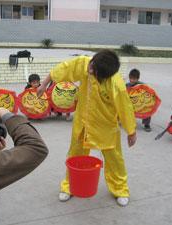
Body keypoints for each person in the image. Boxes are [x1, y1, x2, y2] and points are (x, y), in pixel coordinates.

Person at [37, 50, 137, 206]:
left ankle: (120, 189)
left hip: (106, 126)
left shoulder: (115, 84)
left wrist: (131, 131)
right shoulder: (85, 63)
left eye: (94, 70)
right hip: (82, 122)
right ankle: (69, 186)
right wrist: (44, 84)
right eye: (92, 65)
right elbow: (63, 68)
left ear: (104, 76)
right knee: (75, 154)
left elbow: (125, 107)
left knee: (114, 158)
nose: (90, 70)